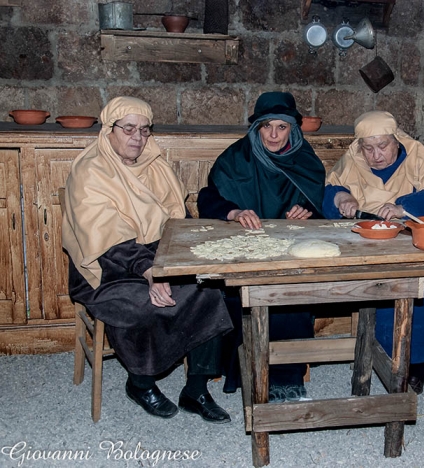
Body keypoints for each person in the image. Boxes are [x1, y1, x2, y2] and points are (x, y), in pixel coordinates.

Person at [62, 97, 234, 423]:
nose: (137, 138)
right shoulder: (90, 172)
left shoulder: (156, 167)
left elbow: (177, 221)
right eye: (128, 129)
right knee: (143, 302)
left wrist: (178, 263)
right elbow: (108, 239)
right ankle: (140, 382)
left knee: (208, 288)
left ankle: (196, 389)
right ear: (108, 131)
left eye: (143, 130)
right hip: (105, 269)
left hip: (157, 259)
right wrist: (151, 272)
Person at [198, 91, 326, 402]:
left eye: (281, 128)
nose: (273, 134)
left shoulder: (305, 159)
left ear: (292, 130)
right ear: (256, 128)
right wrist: (235, 212)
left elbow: (319, 207)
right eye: (267, 126)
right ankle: (247, 371)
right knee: (239, 292)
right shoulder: (235, 158)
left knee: (291, 294)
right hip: (246, 249)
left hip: (289, 251)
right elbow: (207, 198)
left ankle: (285, 379)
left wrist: (307, 211)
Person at [323, 110, 424, 394]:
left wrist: (402, 208)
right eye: (368, 148)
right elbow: (331, 189)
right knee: (374, 287)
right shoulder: (353, 159)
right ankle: (382, 356)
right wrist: (341, 197)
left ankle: (416, 365)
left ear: (396, 140)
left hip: (410, 241)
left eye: (383, 146)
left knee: (423, 291)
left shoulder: (419, 156)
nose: (375, 155)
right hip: (364, 243)